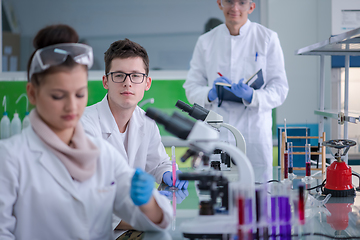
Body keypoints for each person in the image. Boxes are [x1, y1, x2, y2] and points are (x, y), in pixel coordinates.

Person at [0, 24, 172, 240]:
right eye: (58, 96)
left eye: (80, 94)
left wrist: (148, 201)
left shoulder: (102, 154)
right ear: (32, 94)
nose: (72, 107)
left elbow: (160, 218)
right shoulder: (9, 158)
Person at [80, 38, 188, 233]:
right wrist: (149, 219)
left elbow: (157, 163)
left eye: (136, 76)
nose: (128, 83)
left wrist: (167, 173)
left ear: (147, 83)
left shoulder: (146, 121)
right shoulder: (85, 126)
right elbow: (91, 200)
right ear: (106, 81)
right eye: (119, 75)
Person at [183, 0, 289, 183]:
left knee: (258, 193)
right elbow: (191, 87)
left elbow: (280, 89)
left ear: (251, 6)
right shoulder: (206, 41)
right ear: (220, 4)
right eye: (229, 2)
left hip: (254, 132)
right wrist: (210, 93)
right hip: (217, 131)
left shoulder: (267, 38)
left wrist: (253, 96)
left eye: (242, 2)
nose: (235, 8)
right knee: (217, 193)